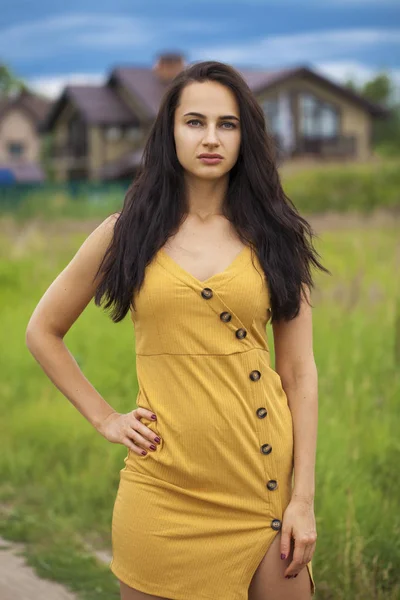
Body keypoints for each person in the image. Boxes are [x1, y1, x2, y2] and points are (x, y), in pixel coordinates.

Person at [26, 60, 328, 600]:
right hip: (163, 492)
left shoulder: (277, 234)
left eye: (227, 124)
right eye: (194, 122)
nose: (210, 138)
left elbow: (299, 373)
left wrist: (301, 499)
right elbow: (43, 330)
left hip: (262, 488)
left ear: (245, 136)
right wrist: (105, 419)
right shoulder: (126, 232)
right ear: (170, 133)